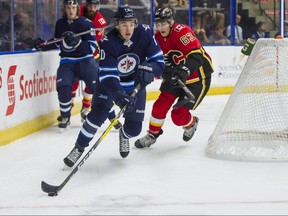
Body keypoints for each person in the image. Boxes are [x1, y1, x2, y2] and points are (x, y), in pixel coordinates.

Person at [63, 6, 165, 167]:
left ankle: (123, 134)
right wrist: (118, 94)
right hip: (110, 86)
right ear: (117, 25)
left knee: (134, 130)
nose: (128, 29)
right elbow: (108, 75)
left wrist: (150, 69)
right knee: (96, 116)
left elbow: (159, 61)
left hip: (135, 85)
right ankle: (78, 148)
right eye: (124, 24)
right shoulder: (107, 42)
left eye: (131, 24)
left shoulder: (145, 33)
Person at [134, 7, 214, 148]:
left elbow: (197, 56)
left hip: (197, 78)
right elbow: (154, 61)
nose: (160, 27)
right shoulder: (156, 38)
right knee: (159, 106)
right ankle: (153, 134)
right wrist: (156, 71)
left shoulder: (182, 31)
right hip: (174, 77)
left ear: (171, 22)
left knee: (178, 116)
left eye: (163, 23)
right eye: (158, 24)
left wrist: (184, 70)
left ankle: (191, 123)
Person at [33, 0, 99, 129]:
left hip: (85, 60)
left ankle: (106, 114)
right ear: (64, 8)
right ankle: (65, 115)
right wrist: (43, 45)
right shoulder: (60, 23)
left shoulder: (86, 23)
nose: (71, 10)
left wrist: (78, 42)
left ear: (77, 9)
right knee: (63, 87)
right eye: (68, 7)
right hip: (67, 62)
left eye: (73, 7)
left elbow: (92, 47)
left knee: (97, 86)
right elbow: (58, 42)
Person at [71, 0, 121, 129]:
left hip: (91, 56)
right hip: (75, 55)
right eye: (90, 6)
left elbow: (92, 44)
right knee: (72, 82)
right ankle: (69, 107)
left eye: (95, 6)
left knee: (98, 85)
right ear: (86, 6)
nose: (92, 9)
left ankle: (87, 108)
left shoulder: (100, 22)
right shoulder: (79, 10)